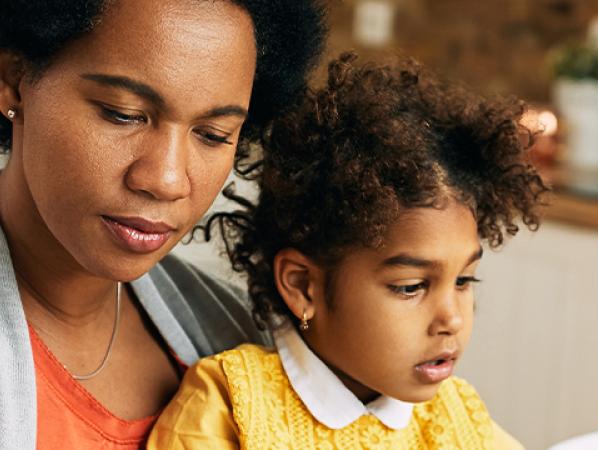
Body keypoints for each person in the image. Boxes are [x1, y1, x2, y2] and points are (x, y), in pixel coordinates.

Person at [148, 53, 549, 449]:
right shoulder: (230, 405)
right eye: (411, 287)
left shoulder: (459, 420)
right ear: (304, 286)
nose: (453, 319)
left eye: (463, 280)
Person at [0, 1, 326, 449]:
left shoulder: (239, 343)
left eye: (213, 134)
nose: (167, 179)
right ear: (14, 82)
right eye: (123, 113)